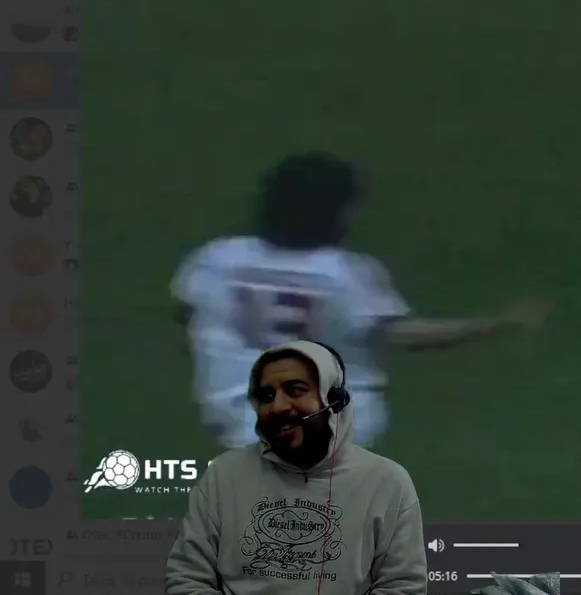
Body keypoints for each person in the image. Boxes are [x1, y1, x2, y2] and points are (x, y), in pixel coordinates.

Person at [172, 152, 554, 449]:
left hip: (241, 416)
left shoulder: (217, 259)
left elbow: (189, 319)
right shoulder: (344, 274)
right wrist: (495, 325)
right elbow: (402, 335)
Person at [166, 340, 428, 595]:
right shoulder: (223, 475)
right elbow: (187, 579)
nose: (278, 406)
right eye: (267, 396)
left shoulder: (388, 482)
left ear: (334, 400)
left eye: (296, 390)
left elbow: (402, 588)